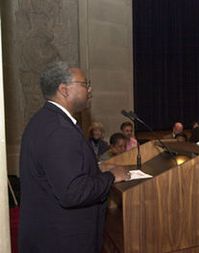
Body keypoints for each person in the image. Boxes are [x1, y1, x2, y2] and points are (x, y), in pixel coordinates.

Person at [19, 61, 130, 253]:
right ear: (64, 89)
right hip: (63, 241)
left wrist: (96, 169)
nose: (90, 89)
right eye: (85, 84)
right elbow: (73, 192)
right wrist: (111, 176)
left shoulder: (45, 119)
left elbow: (60, 172)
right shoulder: (59, 130)